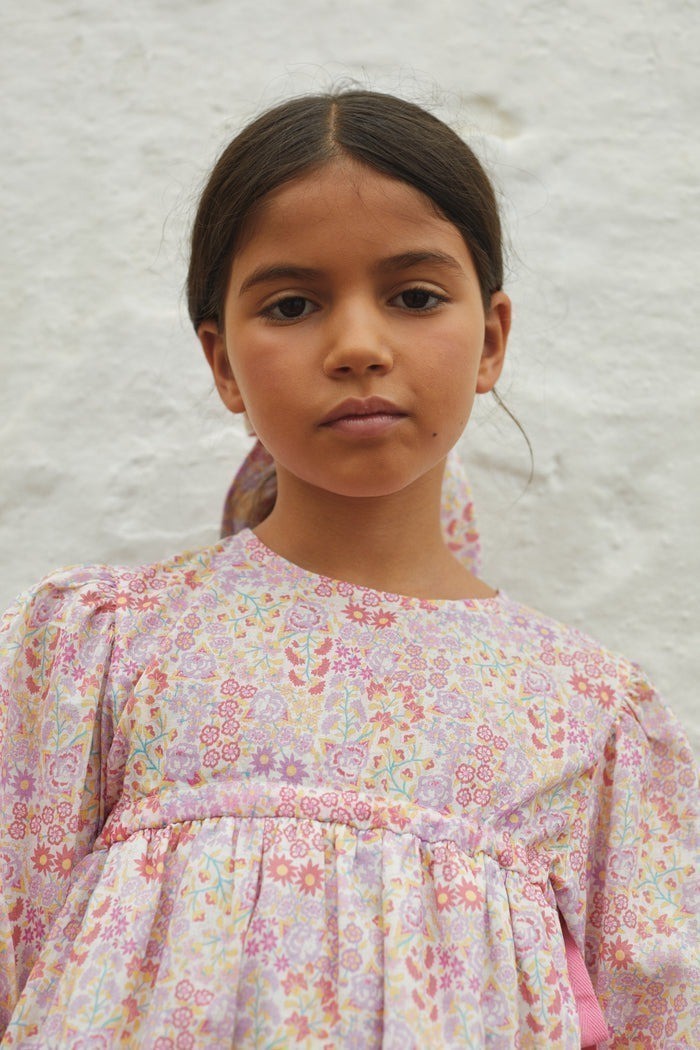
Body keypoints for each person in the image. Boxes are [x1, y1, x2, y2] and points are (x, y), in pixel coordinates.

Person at [0, 90, 696, 1049]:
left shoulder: (592, 719)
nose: (359, 346)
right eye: (292, 305)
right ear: (223, 363)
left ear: (491, 339)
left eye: (415, 297)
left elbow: (664, 1019)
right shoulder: (106, 649)